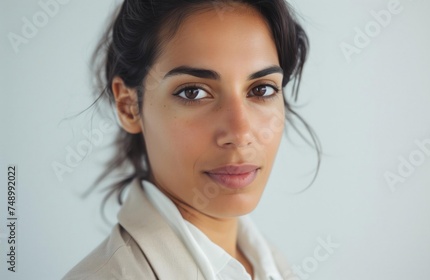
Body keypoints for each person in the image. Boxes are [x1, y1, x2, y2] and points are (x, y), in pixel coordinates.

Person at [63, 0, 320, 279]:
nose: (240, 134)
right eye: (193, 93)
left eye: (261, 89)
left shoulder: (272, 266)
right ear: (129, 106)